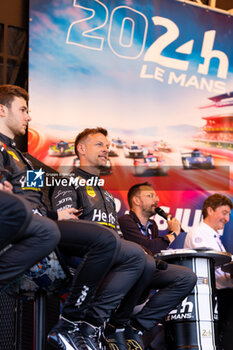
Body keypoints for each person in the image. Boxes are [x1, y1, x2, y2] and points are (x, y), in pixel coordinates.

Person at [0, 84, 146, 350]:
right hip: (21, 228)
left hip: (42, 224)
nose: (28, 117)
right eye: (22, 110)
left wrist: (55, 213)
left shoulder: (25, 159)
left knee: (131, 252)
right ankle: (72, 324)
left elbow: (35, 204)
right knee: (100, 238)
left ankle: (84, 328)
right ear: (2, 110)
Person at [51, 127, 197, 350]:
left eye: (107, 146)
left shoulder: (108, 196)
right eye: (99, 144)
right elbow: (65, 229)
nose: (106, 149)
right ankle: (93, 326)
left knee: (185, 277)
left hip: (122, 260)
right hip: (91, 259)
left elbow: (119, 238)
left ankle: (130, 328)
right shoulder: (67, 182)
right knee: (140, 257)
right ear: (81, 149)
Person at [116, 182, 197, 349]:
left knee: (186, 277)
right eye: (150, 196)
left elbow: (152, 252)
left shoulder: (151, 226)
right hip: (128, 279)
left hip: (146, 277)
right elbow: (146, 248)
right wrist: (173, 233)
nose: (156, 199)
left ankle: (136, 328)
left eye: (156, 196)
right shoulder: (125, 221)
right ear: (136, 200)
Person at [184, 193, 233, 350]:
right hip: (213, 296)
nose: (227, 219)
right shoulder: (200, 233)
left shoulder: (213, 235)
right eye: (224, 213)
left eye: (229, 215)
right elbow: (212, 264)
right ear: (210, 210)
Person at [0, 180, 60, 290]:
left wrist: (53, 215)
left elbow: (36, 202)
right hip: (20, 217)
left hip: (36, 221)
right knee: (20, 206)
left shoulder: (32, 167)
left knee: (48, 230)